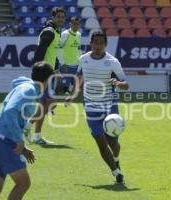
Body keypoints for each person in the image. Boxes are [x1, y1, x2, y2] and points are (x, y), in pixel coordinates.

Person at [0, 61, 54, 200]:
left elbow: (15, 118)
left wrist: (23, 147)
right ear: (47, 79)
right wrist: (18, 140)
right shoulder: (29, 90)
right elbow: (10, 112)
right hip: (3, 141)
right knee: (23, 183)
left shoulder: (27, 87)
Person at [66, 31, 129, 184]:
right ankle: (117, 173)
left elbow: (126, 84)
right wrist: (73, 94)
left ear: (105, 45)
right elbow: (79, 77)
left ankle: (116, 160)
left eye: (101, 43)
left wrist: (118, 83)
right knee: (100, 141)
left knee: (112, 143)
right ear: (91, 44)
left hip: (109, 106)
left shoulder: (113, 61)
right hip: (91, 106)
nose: (98, 46)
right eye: (95, 42)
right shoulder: (84, 59)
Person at [30, 7, 66, 144]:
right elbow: (39, 53)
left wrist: (55, 70)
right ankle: (27, 127)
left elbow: (52, 54)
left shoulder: (56, 31)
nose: (61, 19)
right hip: (44, 74)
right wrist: (39, 72)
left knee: (45, 104)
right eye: (58, 17)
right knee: (50, 104)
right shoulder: (50, 32)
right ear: (53, 17)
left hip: (49, 72)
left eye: (63, 17)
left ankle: (36, 135)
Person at [57, 16, 81, 94]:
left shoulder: (78, 34)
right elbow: (58, 48)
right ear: (70, 24)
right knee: (63, 88)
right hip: (66, 64)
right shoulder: (65, 34)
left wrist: (79, 61)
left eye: (77, 24)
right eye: (74, 24)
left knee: (75, 87)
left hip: (75, 64)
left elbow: (78, 49)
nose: (75, 26)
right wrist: (62, 63)